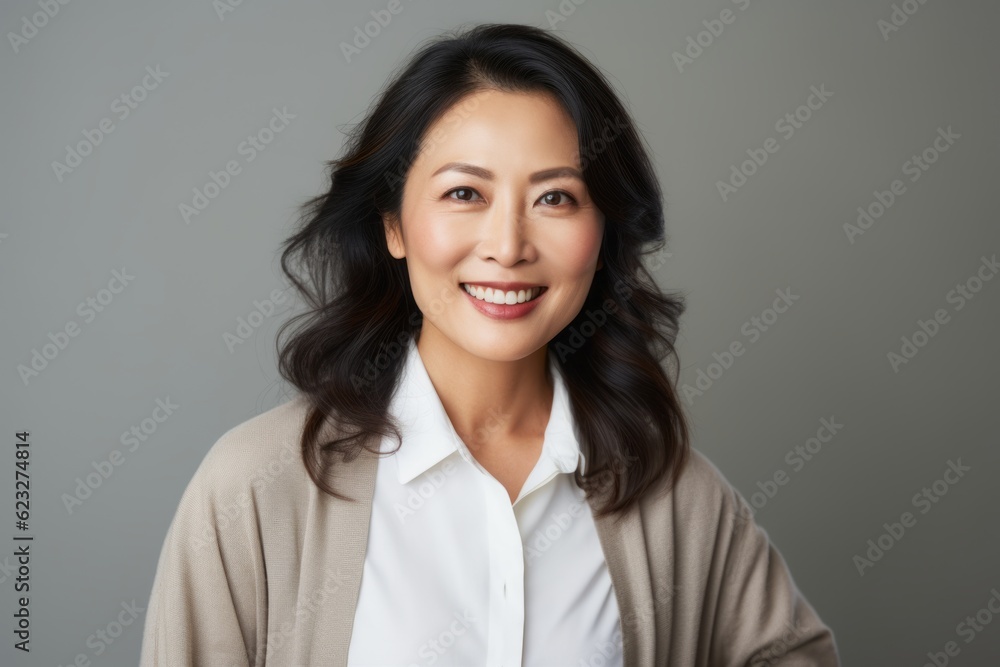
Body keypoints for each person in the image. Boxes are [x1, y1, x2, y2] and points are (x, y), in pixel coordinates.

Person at [140, 23, 840, 666]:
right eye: (464, 194)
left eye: (555, 198)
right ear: (393, 223)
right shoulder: (253, 488)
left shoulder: (671, 494)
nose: (507, 247)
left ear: (603, 235)